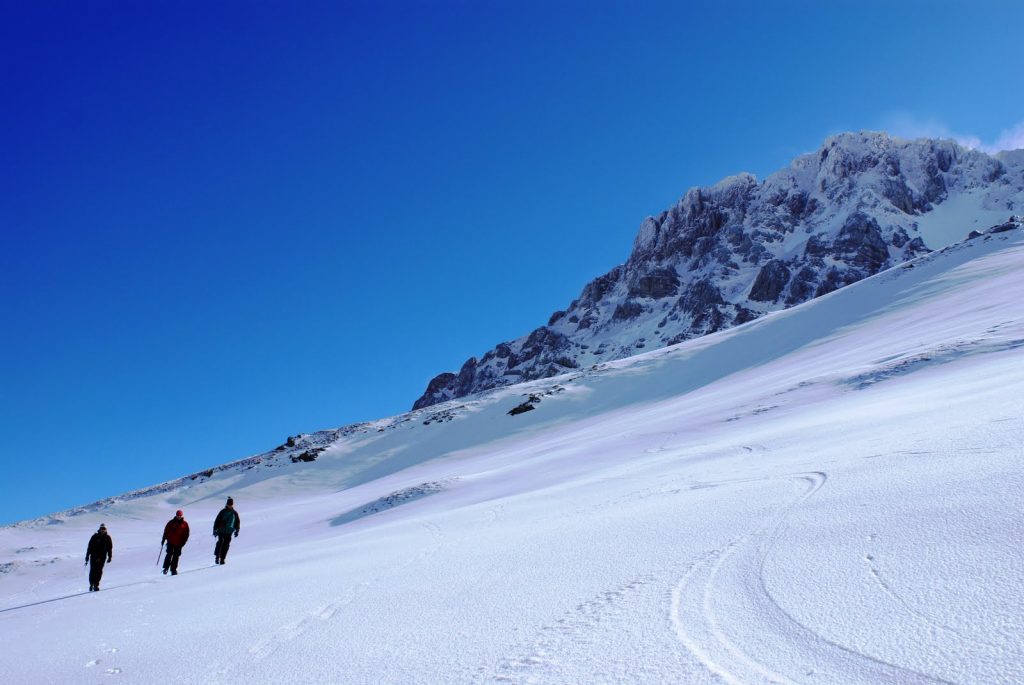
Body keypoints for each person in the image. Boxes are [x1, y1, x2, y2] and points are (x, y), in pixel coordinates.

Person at [85, 523, 113, 591]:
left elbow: (110, 548)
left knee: (99, 571)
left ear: (106, 530)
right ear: (99, 529)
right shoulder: (94, 536)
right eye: (101, 528)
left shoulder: (108, 537)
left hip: (102, 557)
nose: (102, 530)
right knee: (93, 571)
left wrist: (110, 557)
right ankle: (91, 584)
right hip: (94, 556)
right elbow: (89, 547)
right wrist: (87, 556)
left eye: (104, 529)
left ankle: (96, 585)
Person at [161, 509, 190, 575]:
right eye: (177, 515)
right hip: (170, 542)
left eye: (180, 515)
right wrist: (163, 539)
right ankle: (165, 568)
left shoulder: (185, 524)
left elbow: (186, 534)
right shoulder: (171, 523)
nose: (178, 516)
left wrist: (184, 542)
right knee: (169, 554)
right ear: (176, 515)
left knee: (176, 556)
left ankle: (173, 570)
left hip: (179, 543)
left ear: (181, 516)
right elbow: (166, 531)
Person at [213, 497, 241, 565]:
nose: (230, 505)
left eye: (231, 504)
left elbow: (237, 522)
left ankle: (222, 559)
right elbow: (217, 521)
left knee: (226, 545)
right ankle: (217, 557)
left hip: (229, 532)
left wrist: (237, 530)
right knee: (220, 542)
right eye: (229, 504)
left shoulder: (234, 513)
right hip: (221, 531)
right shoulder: (222, 512)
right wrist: (215, 530)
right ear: (227, 504)